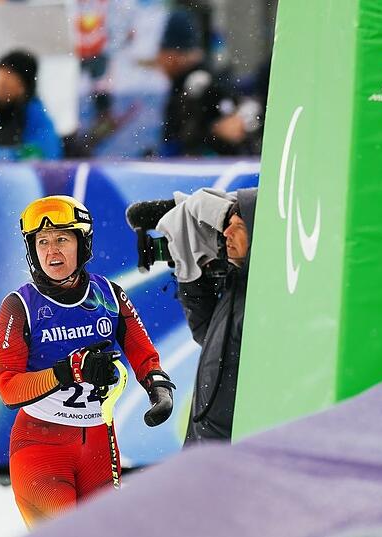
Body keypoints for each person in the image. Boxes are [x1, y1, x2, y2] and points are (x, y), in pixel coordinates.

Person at [0, 195, 175, 527]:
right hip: (41, 447)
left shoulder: (109, 294)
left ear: (83, 243)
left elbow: (143, 353)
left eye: (62, 239)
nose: (52, 251)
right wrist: (68, 371)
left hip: (99, 443)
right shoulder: (19, 306)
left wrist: (158, 387)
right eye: (42, 242)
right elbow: (8, 388)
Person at [155, 187, 257, 443]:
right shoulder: (238, 284)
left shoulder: (262, 299)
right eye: (227, 225)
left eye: (238, 227)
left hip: (230, 447)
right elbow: (205, 332)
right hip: (205, 441)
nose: (226, 234)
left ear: (260, 233)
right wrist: (190, 274)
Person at [156, 7, 257, 157]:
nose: (159, 60)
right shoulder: (182, 82)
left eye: (162, 52)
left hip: (210, 169)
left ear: (174, 54)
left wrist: (216, 130)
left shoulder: (199, 83)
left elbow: (233, 128)